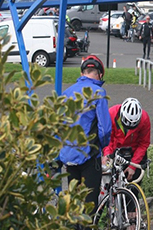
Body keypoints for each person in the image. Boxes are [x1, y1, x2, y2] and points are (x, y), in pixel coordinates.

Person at [59, 55, 111, 221]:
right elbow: (104, 129)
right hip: (89, 157)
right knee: (89, 207)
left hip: (68, 157)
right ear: (100, 74)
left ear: (82, 73)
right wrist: (103, 149)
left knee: (74, 204)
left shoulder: (66, 93)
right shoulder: (98, 93)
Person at [102, 98, 150, 182]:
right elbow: (108, 138)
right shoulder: (111, 114)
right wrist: (107, 154)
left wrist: (133, 166)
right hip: (114, 150)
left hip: (134, 153)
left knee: (133, 184)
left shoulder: (145, 119)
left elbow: (143, 143)